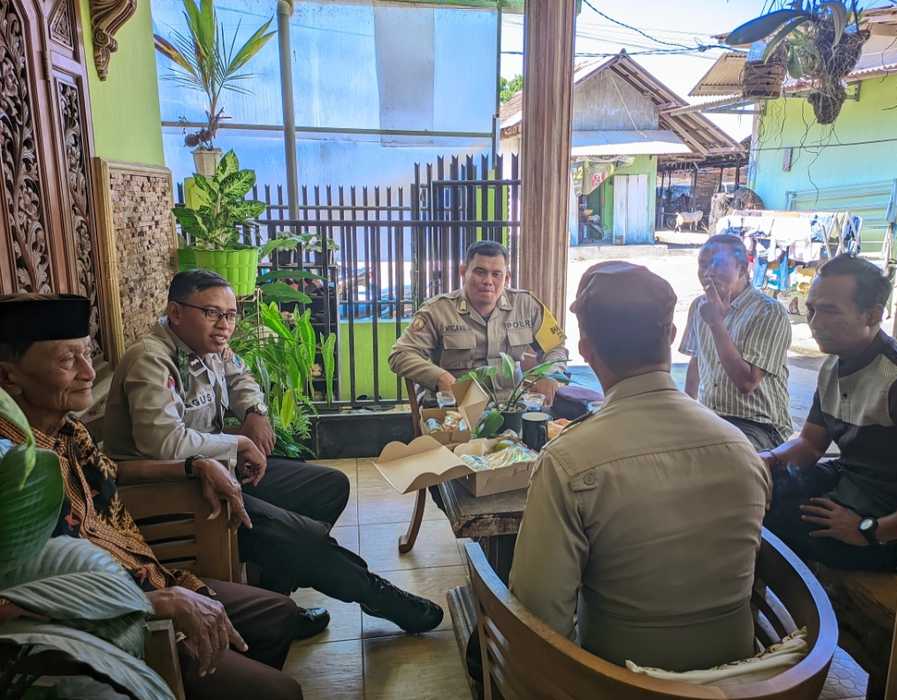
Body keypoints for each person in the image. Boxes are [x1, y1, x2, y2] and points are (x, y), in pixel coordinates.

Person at [103, 270, 443, 636]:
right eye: (212, 313)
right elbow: (163, 443)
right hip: (177, 492)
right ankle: (377, 596)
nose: (224, 325)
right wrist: (238, 444)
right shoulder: (151, 359)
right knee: (302, 539)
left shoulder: (209, 347)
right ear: (175, 312)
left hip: (220, 472)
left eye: (231, 315)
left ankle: (272, 607)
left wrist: (254, 411)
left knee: (329, 487)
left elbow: (240, 378)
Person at [0, 293, 302, 700]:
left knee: (279, 614)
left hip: (149, 573)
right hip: (106, 628)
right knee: (280, 691)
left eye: (87, 353)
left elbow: (112, 471)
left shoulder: (69, 432)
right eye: (68, 360)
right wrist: (150, 603)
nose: (88, 372)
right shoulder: (10, 468)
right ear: (9, 377)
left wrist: (194, 466)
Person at [508, 261, 770, 670]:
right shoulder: (742, 449)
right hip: (740, 677)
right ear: (671, 335)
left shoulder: (567, 462)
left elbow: (539, 617)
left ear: (586, 351)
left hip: (616, 681)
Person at [761, 255, 897, 571]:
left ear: (873, 315)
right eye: (811, 309)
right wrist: (765, 462)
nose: (814, 323)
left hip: (888, 521)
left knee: (777, 521)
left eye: (830, 311)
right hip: (848, 482)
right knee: (755, 496)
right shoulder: (833, 366)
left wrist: (867, 530)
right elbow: (810, 445)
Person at [388, 239, 569, 405]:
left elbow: (556, 347)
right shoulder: (438, 310)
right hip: (458, 407)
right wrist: (440, 377)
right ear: (463, 272)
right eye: (480, 272)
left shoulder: (526, 305)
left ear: (507, 278)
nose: (488, 281)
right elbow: (401, 354)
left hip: (512, 405)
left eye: (496, 274)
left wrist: (548, 374)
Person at [681, 234, 793, 450]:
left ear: (742, 269)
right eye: (703, 264)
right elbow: (696, 361)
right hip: (712, 417)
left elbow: (747, 383)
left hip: (758, 424)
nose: (708, 272)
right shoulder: (699, 306)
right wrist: (687, 412)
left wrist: (716, 324)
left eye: (717, 264)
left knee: (717, 456)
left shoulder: (768, 311)